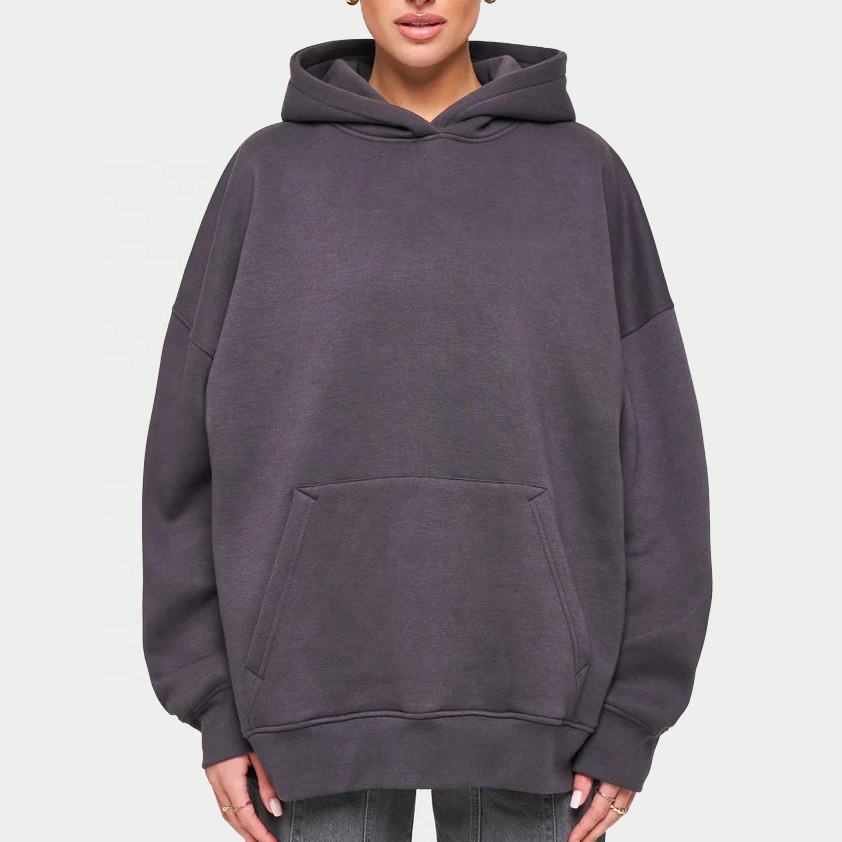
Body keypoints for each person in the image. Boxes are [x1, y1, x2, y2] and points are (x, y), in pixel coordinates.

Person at [141, 1, 712, 840]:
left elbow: (659, 457)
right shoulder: (267, 176)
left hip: (539, 707)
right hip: (308, 703)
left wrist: (635, 713)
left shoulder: (583, 175)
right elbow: (181, 461)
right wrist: (214, 704)